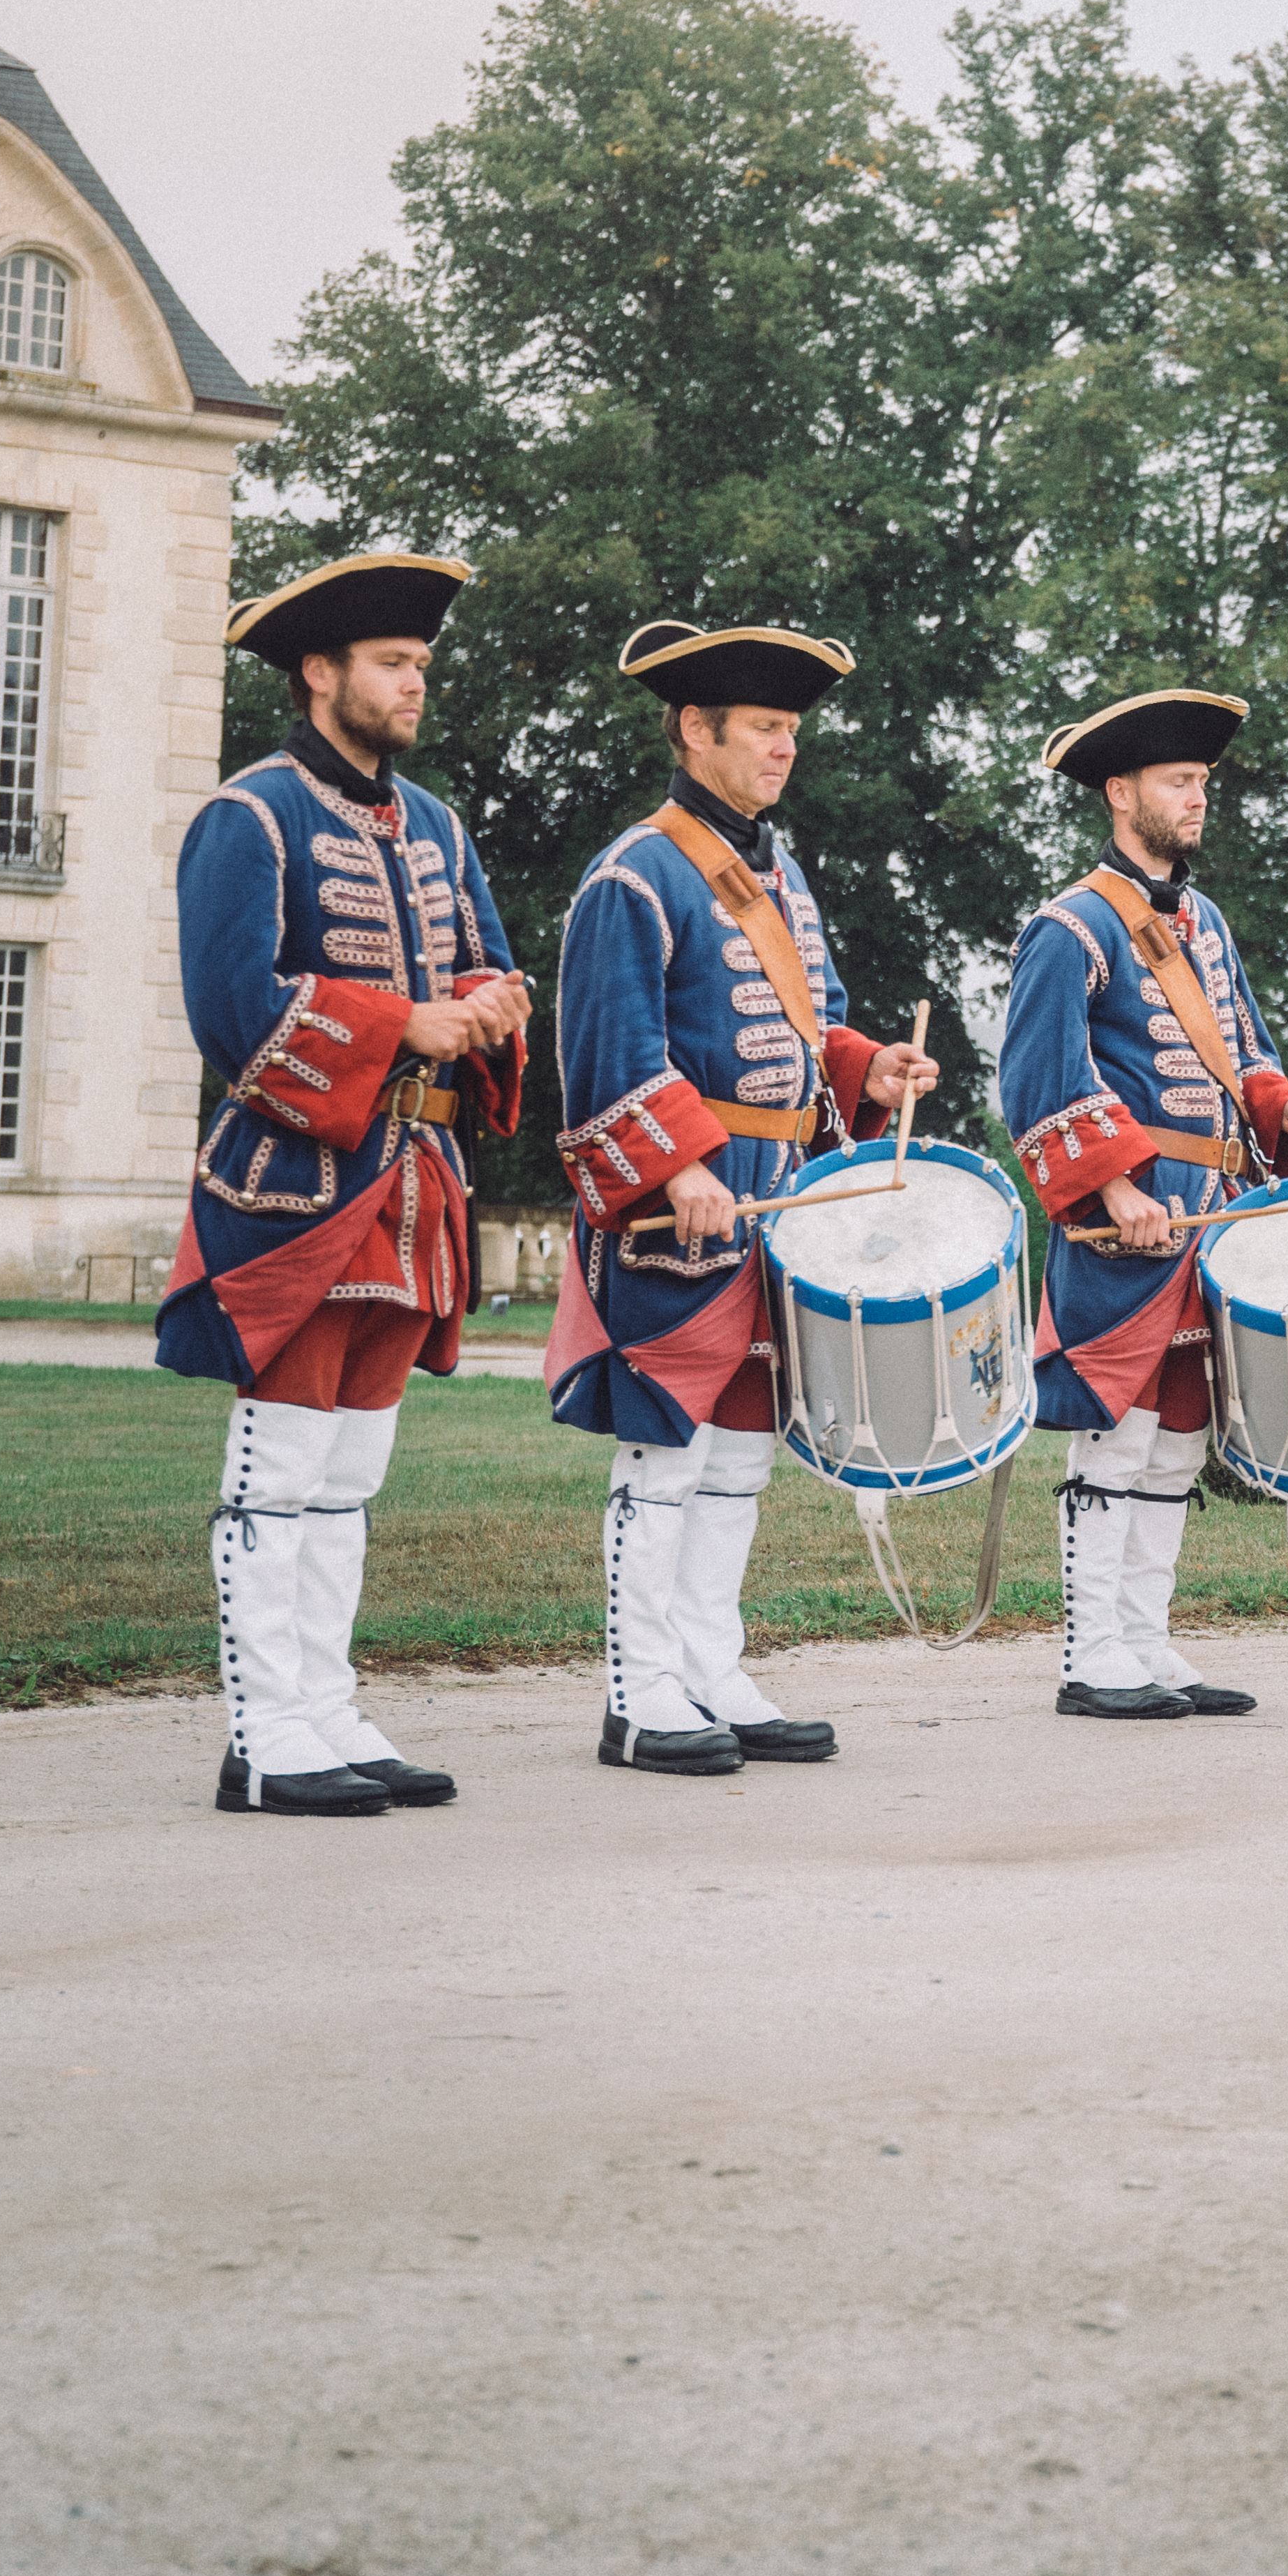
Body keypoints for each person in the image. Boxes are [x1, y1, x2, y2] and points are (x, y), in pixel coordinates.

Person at [162, 552, 530, 1819]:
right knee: (278, 1469)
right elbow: (233, 1014)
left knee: (351, 1474)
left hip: (417, 1184)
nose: (414, 684)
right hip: (295, 1189)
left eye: (422, 665)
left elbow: (490, 962)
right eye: (392, 664)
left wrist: (491, 1004)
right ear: (321, 674)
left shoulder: (434, 823)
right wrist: (402, 1028)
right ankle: (264, 1735)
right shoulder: (249, 817)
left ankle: (326, 1707)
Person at [550, 619, 939, 1774]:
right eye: (764, 729)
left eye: (790, 731)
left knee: (739, 1457)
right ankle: (638, 1694)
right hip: (692, 1204)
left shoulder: (779, 870)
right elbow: (612, 1042)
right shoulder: (637, 870)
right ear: (695, 729)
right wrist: (676, 1164)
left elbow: (801, 1033)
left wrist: (869, 1068)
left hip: (779, 1198)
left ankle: (710, 1668)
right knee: (664, 1454)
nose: (783, 750)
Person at [999, 689, 1288, 1721]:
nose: (1198, 800)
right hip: (1132, 1221)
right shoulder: (1070, 928)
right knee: (1118, 1435)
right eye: (1179, 782)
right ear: (1121, 792)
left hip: (1214, 1214)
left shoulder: (1208, 923)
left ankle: (1146, 1644)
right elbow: (1038, 1078)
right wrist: (1112, 1183)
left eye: (1203, 784)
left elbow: (1247, 1060)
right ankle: (1089, 1654)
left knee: (1179, 1438)